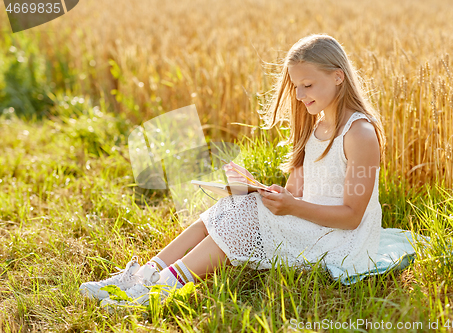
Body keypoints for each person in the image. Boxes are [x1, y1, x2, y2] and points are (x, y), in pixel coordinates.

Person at [79, 33, 387, 308]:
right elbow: (295, 194)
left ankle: (163, 287)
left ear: (337, 77)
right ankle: (143, 274)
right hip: (313, 222)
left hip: (341, 239)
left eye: (307, 85)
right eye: (295, 86)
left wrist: (290, 206)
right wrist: (266, 192)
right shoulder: (315, 124)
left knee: (245, 213)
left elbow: (352, 216)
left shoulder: (359, 133)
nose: (298, 94)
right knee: (235, 204)